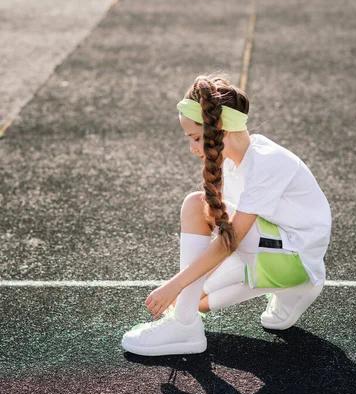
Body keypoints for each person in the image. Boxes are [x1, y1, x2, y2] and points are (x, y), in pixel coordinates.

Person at [122, 73, 332, 356]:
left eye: (196, 138)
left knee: (195, 205)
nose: (193, 148)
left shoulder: (266, 162)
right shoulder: (233, 164)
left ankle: (185, 328)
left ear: (219, 127)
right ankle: (290, 291)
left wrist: (175, 285)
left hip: (293, 259)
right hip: (276, 256)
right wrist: (185, 292)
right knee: (191, 301)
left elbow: (231, 240)